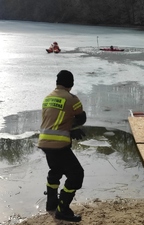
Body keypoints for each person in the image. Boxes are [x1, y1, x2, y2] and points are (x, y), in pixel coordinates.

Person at [38, 70, 87, 222]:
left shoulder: (47, 98)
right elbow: (80, 117)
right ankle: (62, 209)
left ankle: (51, 204)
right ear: (71, 84)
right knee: (76, 174)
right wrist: (74, 128)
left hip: (44, 142)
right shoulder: (72, 99)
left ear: (57, 82)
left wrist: (68, 127)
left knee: (55, 171)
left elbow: (53, 118)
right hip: (59, 144)